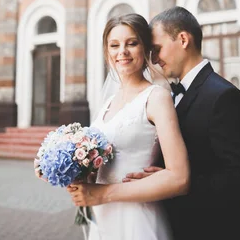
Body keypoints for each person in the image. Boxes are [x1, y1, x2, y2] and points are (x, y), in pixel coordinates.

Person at [68, 7, 240, 240]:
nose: (154, 58)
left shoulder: (223, 96)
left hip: (211, 228)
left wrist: (175, 182)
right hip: (155, 219)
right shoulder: (168, 93)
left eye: (156, 49)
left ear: (183, 39)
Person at [66, 13, 189, 240]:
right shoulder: (107, 104)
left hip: (137, 219)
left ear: (145, 49)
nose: (122, 51)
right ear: (107, 52)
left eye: (131, 43)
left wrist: (103, 194)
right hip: (102, 219)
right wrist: (64, 169)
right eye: (114, 45)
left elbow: (179, 178)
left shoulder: (156, 97)